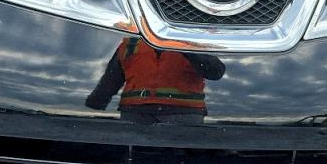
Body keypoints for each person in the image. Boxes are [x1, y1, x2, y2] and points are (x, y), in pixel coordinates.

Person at [85, 38, 226, 124]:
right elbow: (111, 78)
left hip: (183, 115)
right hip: (135, 113)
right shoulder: (129, 43)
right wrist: (94, 106)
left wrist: (185, 47)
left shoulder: (193, 40)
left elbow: (216, 72)